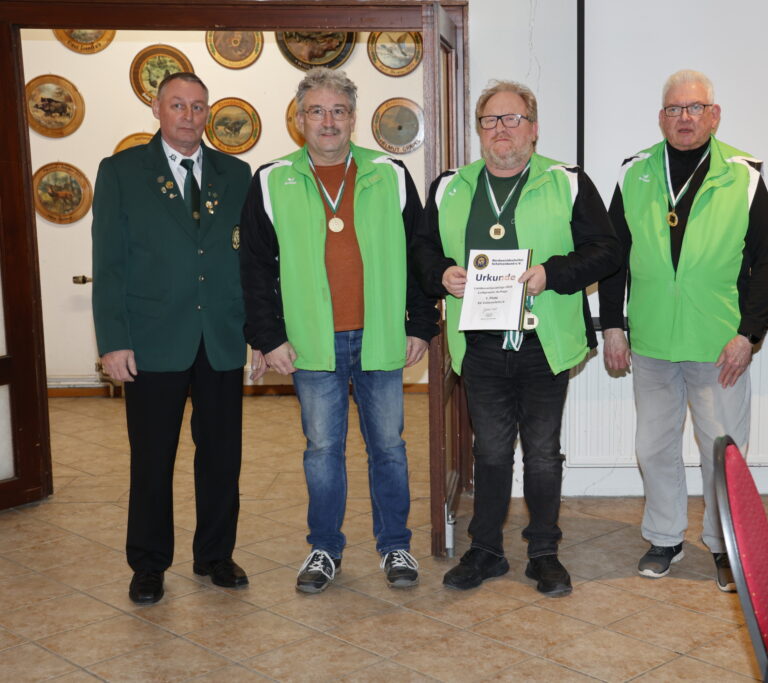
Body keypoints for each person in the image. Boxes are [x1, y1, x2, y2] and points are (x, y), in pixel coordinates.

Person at [413, 80, 619, 597]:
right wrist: (442, 274)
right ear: (479, 130)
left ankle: (544, 553)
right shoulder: (449, 186)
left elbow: (607, 249)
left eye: (512, 119)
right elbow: (420, 249)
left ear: (533, 128)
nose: (500, 129)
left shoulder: (567, 181)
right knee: (490, 452)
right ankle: (485, 551)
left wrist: (553, 273)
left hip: (544, 342)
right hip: (480, 346)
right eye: (490, 120)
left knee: (543, 453)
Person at [239, 67, 437, 594]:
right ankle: (324, 548)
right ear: (299, 118)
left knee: (389, 448)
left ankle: (395, 545)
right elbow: (254, 268)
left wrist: (421, 324)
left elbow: (419, 253)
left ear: (353, 118)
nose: (328, 121)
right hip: (311, 344)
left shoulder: (390, 174)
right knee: (322, 451)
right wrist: (267, 337)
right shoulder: (271, 180)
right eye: (317, 111)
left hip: (380, 336)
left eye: (339, 111)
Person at [598, 70, 768, 592]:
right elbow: (612, 258)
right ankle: (663, 537)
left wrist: (748, 334)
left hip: (718, 344)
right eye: (674, 109)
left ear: (714, 116)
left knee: (722, 450)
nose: (684, 118)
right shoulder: (634, 173)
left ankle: (725, 543)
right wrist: (613, 326)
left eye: (695, 108)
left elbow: (767, 263)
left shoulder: (744, 176)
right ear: (661, 118)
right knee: (653, 447)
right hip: (652, 340)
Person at [92, 72, 252, 605]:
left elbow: (249, 260)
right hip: (152, 339)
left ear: (208, 113)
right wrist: (113, 340)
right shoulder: (122, 171)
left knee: (222, 456)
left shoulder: (236, 173)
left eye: (198, 106)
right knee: (153, 458)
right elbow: (109, 264)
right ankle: (148, 563)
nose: (189, 115)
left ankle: (215, 555)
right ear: (157, 110)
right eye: (178, 105)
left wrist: (256, 334)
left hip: (220, 337)